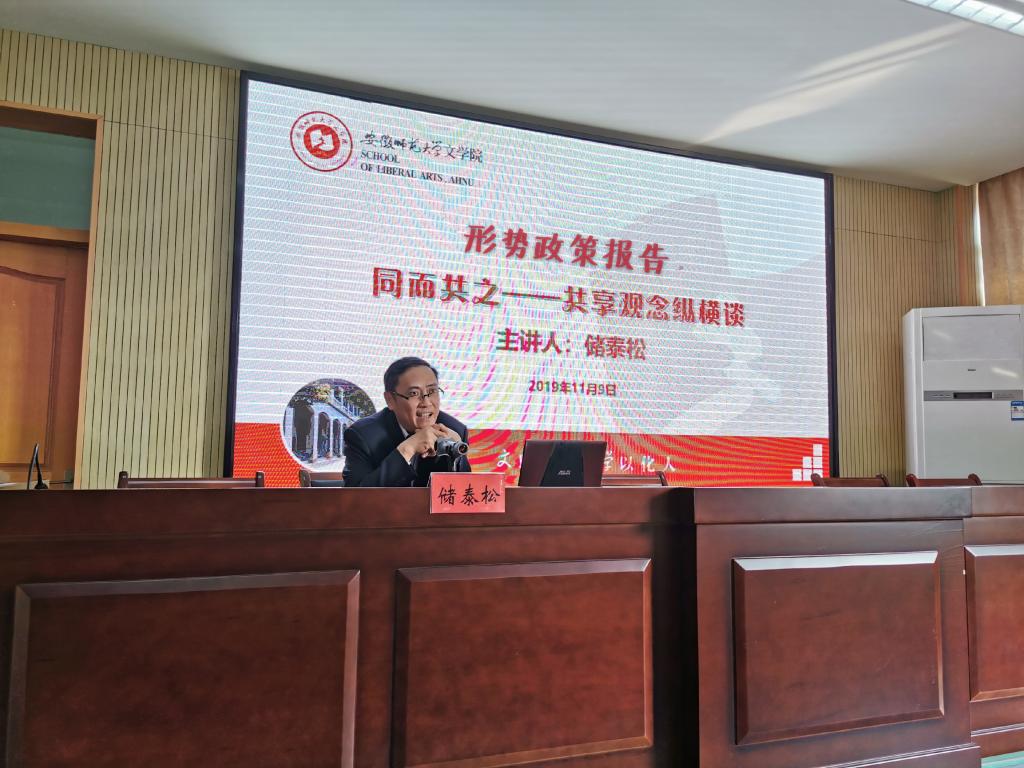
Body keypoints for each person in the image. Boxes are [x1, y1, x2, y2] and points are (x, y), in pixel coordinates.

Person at [341, 357, 471, 487]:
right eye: (414, 393)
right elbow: (354, 496)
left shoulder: (455, 430)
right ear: (390, 400)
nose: (426, 402)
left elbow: (466, 493)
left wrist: (457, 456)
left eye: (432, 391)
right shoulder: (363, 435)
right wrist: (407, 449)